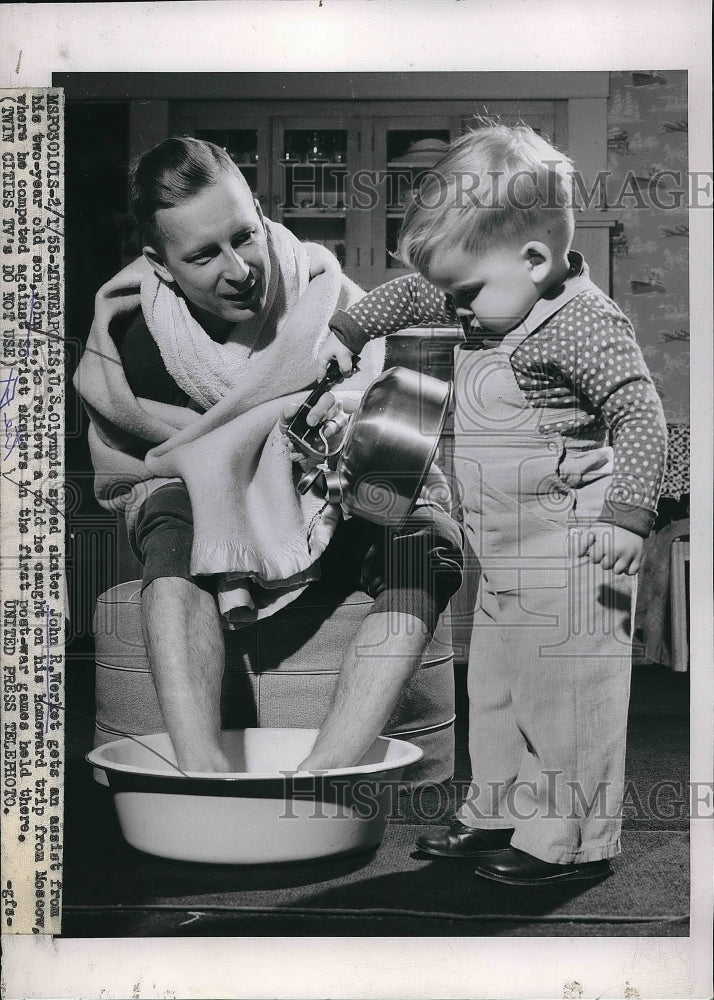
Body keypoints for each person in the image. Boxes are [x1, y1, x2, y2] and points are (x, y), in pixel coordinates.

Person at [317, 124, 667, 885]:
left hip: (576, 551)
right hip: (504, 553)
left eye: (466, 295)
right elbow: (412, 292)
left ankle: (567, 844)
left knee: (564, 703)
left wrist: (627, 517)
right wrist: (349, 331)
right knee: (499, 690)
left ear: (535, 261)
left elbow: (643, 417)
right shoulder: (487, 290)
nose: (456, 311)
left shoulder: (584, 324)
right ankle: (499, 813)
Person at [74, 136, 463, 775]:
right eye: (204, 255)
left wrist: (339, 429)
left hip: (332, 491)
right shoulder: (138, 345)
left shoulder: (326, 295)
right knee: (169, 516)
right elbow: (144, 462)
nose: (238, 269)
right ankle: (199, 769)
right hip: (206, 504)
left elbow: (390, 411)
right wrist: (245, 452)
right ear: (161, 262)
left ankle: (325, 770)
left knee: (429, 544)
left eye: (245, 235)